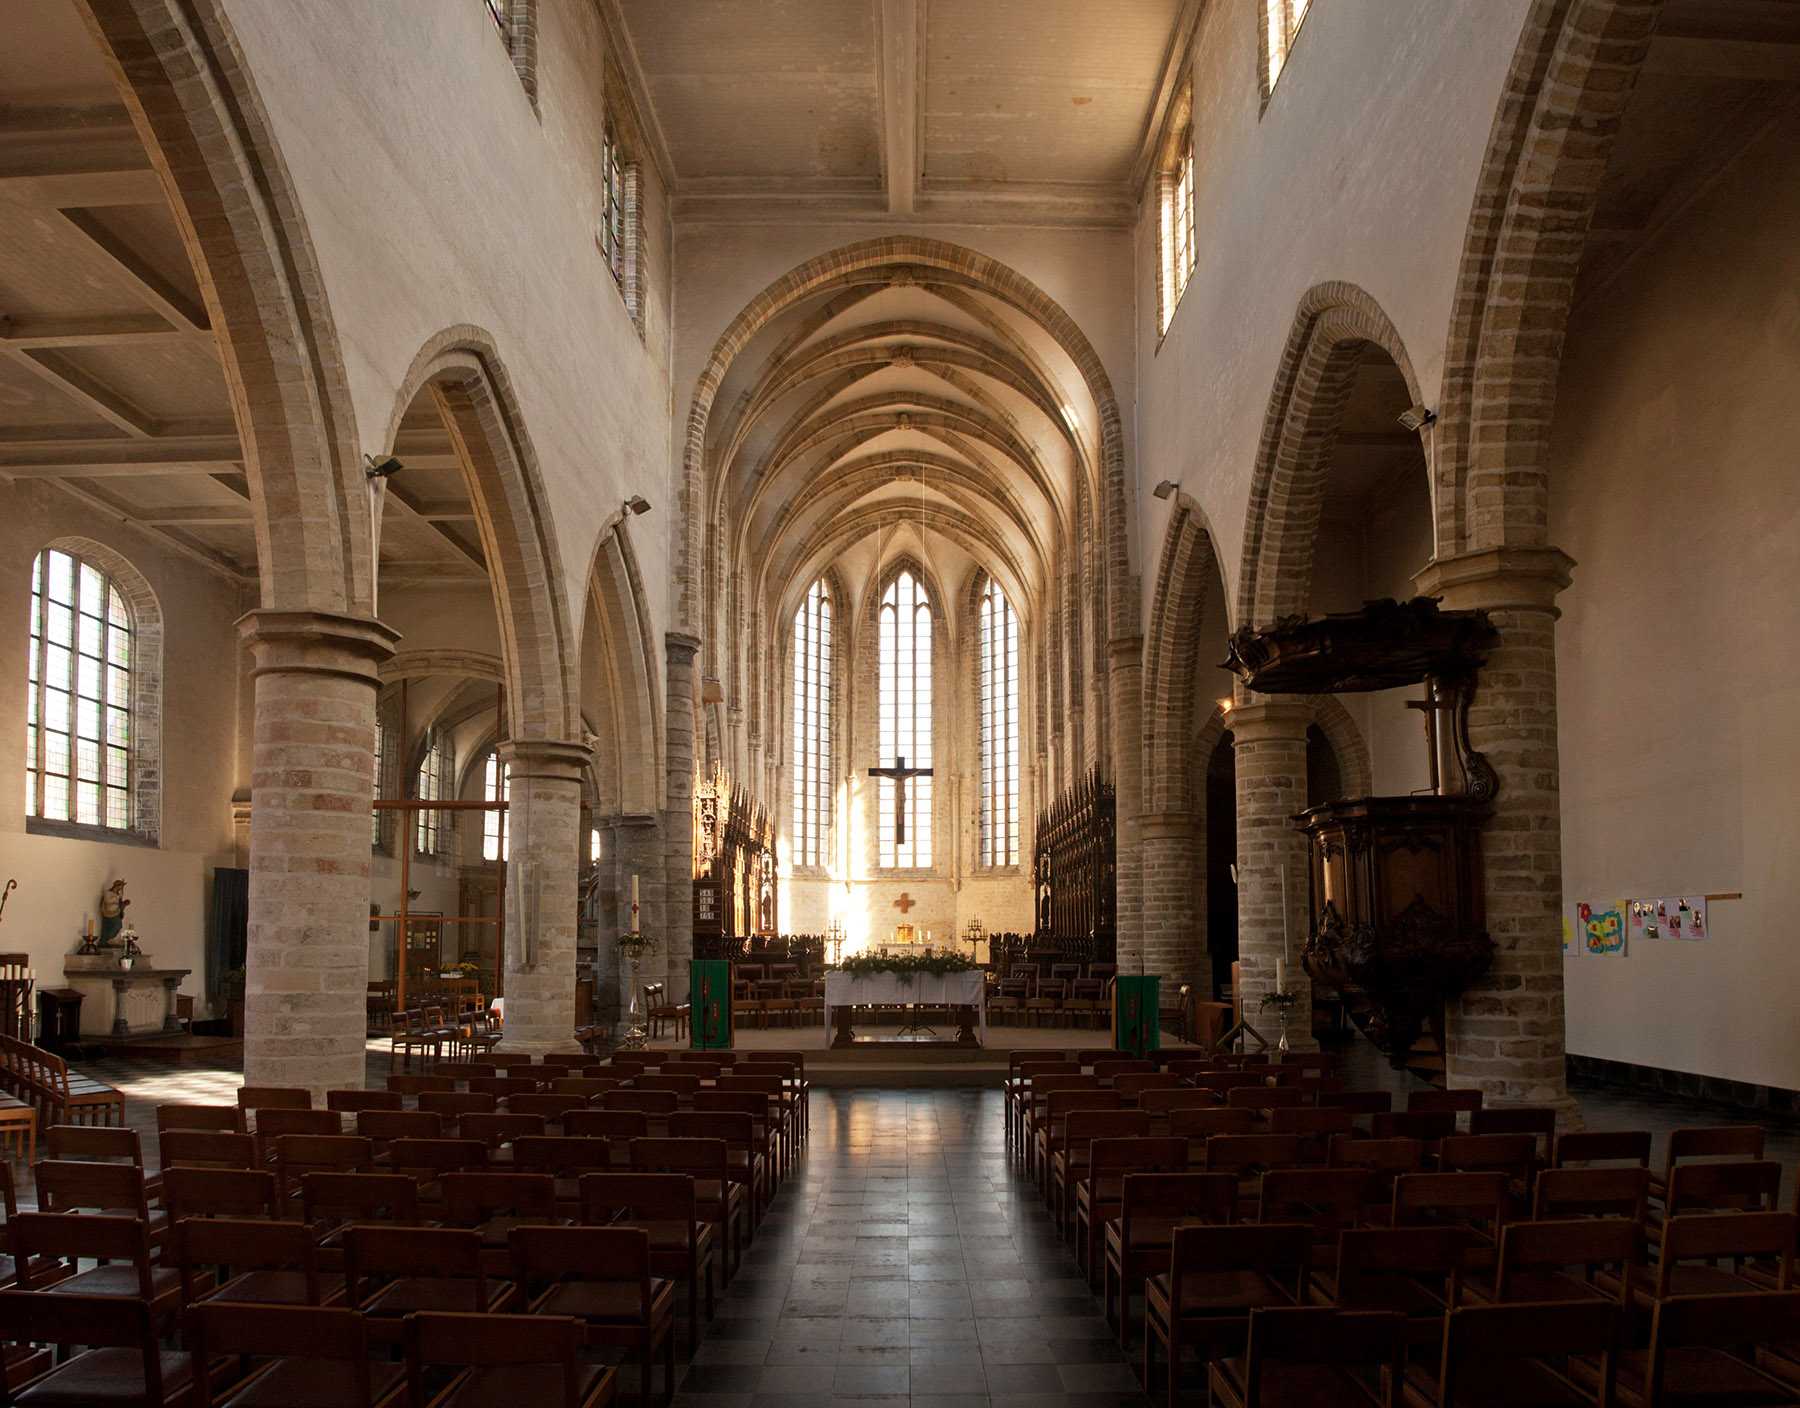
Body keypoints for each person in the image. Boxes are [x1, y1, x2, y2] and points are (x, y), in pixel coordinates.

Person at [98, 879, 129, 946]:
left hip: (117, 913)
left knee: (118, 926)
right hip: (109, 913)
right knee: (114, 926)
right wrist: (118, 897)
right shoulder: (108, 893)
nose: (120, 889)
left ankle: (110, 940)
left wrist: (124, 904)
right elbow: (108, 901)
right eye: (119, 887)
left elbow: (119, 904)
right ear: (116, 886)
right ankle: (107, 940)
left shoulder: (117, 894)